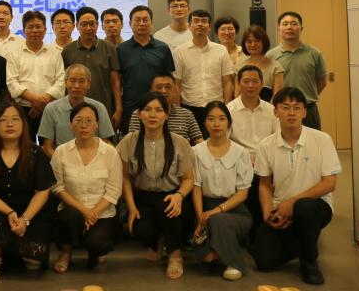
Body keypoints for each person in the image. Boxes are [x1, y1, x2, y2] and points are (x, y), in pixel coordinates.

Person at [251, 87, 341, 285]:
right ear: (276, 112)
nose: (291, 113)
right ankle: (304, 240)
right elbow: (264, 185)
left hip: (315, 206)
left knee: (304, 208)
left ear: (304, 112)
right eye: (285, 107)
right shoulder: (266, 145)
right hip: (281, 208)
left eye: (297, 107)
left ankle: (309, 262)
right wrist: (267, 214)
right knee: (263, 261)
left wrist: (292, 202)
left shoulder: (322, 140)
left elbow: (330, 183)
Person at [0, 102, 55, 281]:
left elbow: (43, 191)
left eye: (15, 119)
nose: (10, 124)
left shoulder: (36, 152)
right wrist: (8, 211)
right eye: (4, 120)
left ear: (23, 124)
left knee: (33, 263)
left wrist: (24, 219)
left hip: (30, 211)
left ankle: (14, 252)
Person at [117, 92, 194, 280]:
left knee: (167, 207)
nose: (153, 115)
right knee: (138, 228)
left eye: (159, 110)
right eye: (147, 109)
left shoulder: (179, 142)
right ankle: (158, 242)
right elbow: (125, 177)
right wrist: (132, 207)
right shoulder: (129, 141)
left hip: (173, 197)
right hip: (143, 197)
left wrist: (179, 196)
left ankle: (175, 254)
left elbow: (188, 179)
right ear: (139, 114)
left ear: (167, 115)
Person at [51, 102, 122, 273]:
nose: (84, 125)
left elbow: (114, 190)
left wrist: (93, 212)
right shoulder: (61, 152)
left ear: (97, 124)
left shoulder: (110, 152)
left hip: (102, 213)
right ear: (71, 124)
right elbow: (57, 187)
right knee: (69, 217)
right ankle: (65, 253)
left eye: (89, 121)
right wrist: (84, 211)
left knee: (99, 243)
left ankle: (94, 250)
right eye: (78, 120)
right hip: (72, 210)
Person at [191, 102, 253, 281]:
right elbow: (196, 188)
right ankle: (218, 253)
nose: (216, 123)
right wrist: (200, 219)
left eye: (221, 119)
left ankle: (234, 264)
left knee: (217, 219)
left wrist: (216, 211)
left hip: (235, 210)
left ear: (229, 122)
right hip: (205, 208)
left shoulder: (241, 152)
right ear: (205, 123)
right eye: (211, 119)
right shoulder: (195, 152)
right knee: (207, 259)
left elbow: (243, 193)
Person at [226, 65, 279, 230]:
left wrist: (262, 160)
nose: (250, 85)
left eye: (255, 81)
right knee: (254, 179)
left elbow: (278, 139)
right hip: (239, 161)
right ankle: (253, 228)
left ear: (262, 84)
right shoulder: (229, 110)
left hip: (267, 160)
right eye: (246, 81)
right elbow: (225, 142)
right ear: (238, 83)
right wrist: (245, 159)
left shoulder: (271, 110)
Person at [172, 9, 234, 134]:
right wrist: (178, 112)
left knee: (216, 141)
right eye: (196, 21)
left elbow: (227, 82)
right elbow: (177, 84)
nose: (200, 24)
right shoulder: (179, 51)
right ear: (189, 26)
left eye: (204, 21)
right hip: (189, 108)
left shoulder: (221, 50)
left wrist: (227, 108)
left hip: (216, 107)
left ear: (209, 27)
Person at [6, 10, 65, 141]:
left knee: (49, 145)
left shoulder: (55, 53)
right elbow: (12, 82)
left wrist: (42, 101)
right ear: (23, 30)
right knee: (26, 147)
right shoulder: (14, 53)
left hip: (50, 108)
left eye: (38, 27)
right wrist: (35, 100)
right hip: (24, 109)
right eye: (30, 27)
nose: (34, 30)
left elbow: (61, 81)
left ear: (45, 29)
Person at [117, 5, 174, 133]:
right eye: (137, 20)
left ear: (151, 23)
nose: (142, 23)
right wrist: (119, 108)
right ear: (130, 24)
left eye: (145, 20)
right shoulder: (121, 49)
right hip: (130, 107)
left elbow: (170, 81)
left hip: (158, 107)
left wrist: (171, 105)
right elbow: (117, 82)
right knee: (133, 141)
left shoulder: (163, 48)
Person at [62, 6, 122, 128]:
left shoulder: (108, 48)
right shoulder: (68, 51)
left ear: (97, 25)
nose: (88, 28)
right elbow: (64, 84)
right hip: (75, 109)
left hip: (104, 107)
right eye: (84, 24)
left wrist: (118, 108)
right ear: (77, 26)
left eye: (91, 24)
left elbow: (115, 81)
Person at [267, 12, 328, 130]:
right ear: (279, 29)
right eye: (285, 24)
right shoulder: (270, 56)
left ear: (301, 28)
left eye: (294, 24)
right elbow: (268, 85)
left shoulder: (314, 53)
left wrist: (306, 96)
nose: (289, 27)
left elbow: (322, 81)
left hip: (307, 109)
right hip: (281, 110)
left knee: (312, 140)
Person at [38, 64, 115, 157]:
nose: (77, 86)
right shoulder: (51, 109)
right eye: (72, 81)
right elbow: (47, 147)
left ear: (88, 84)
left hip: (93, 160)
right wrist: (60, 163)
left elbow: (105, 143)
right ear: (65, 83)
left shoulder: (99, 108)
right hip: (61, 160)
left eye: (81, 81)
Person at [127, 74, 203, 145]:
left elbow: (200, 143)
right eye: (159, 87)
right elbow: (132, 143)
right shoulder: (140, 113)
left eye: (168, 87)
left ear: (175, 90)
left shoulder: (186, 114)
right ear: (151, 90)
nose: (163, 91)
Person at [237, 25, 284, 102]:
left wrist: (266, 108)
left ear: (264, 42)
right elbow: (237, 95)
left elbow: (277, 95)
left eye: (257, 41)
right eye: (249, 42)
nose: (253, 44)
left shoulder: (276, 67)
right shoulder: (239, 67)